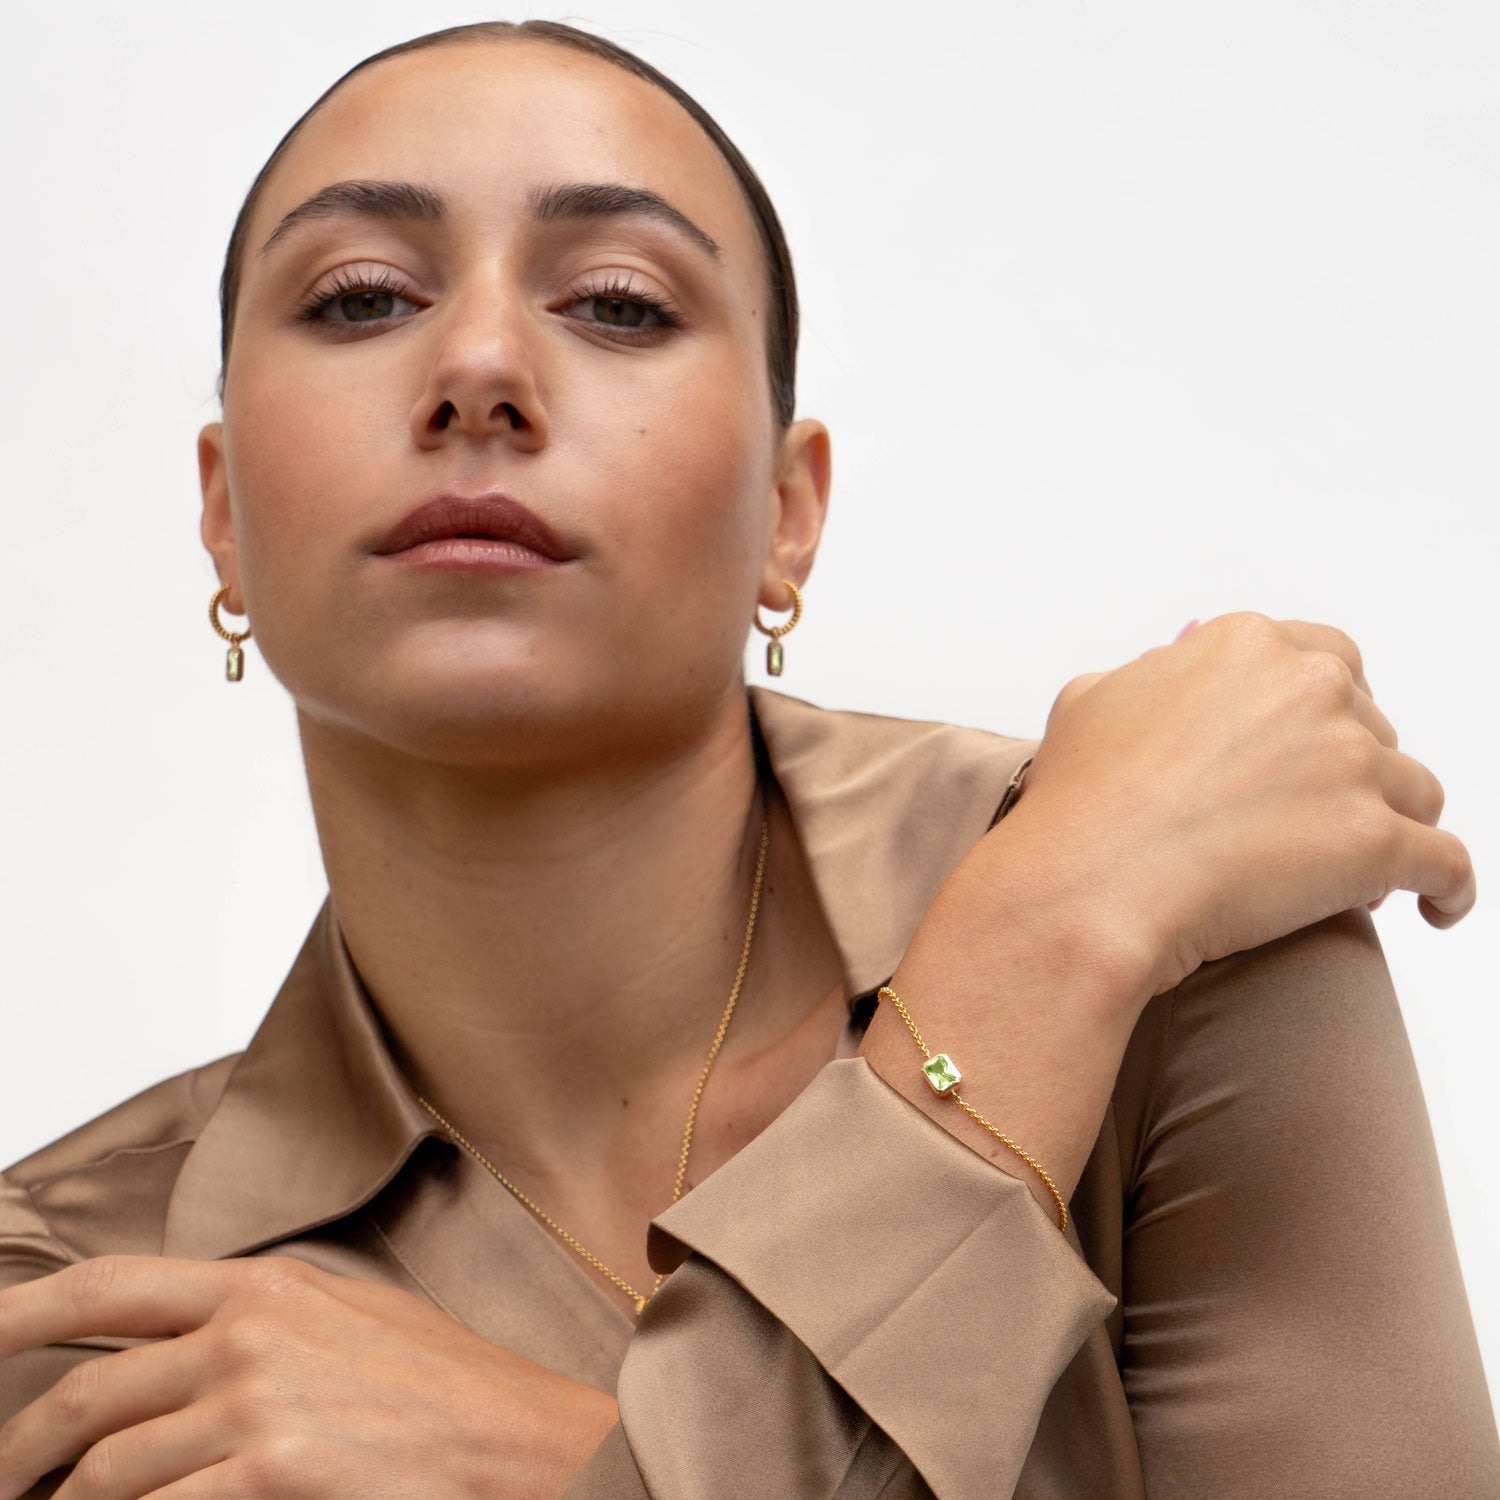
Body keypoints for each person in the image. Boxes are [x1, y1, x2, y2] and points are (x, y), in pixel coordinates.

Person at [0, 18, 1494, 1499]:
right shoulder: (79, 1293)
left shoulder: (1172, 888)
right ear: (223, 517)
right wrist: (1044, 961)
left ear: (790, 513)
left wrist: (1055, 930)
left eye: (619, 304)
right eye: (362, 298)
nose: (479, 368)